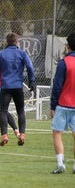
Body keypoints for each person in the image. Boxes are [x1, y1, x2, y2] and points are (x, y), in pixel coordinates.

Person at [0, 32, 35, 146]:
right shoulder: (22, 53)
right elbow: (30, 67)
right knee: (20, 111)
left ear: (6, 42)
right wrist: (31, 81)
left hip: (5, 87)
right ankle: (22, 135)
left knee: (3, 111)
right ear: (17, 42)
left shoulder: (1, 54)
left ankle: (4, 135)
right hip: (18, 86)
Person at [50, 33, 75, 174]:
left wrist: (53, 106)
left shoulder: (64, 62)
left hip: (64, 104)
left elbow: (57, 86)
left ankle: (60, 164)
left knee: (57, 133)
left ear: (68, 46)